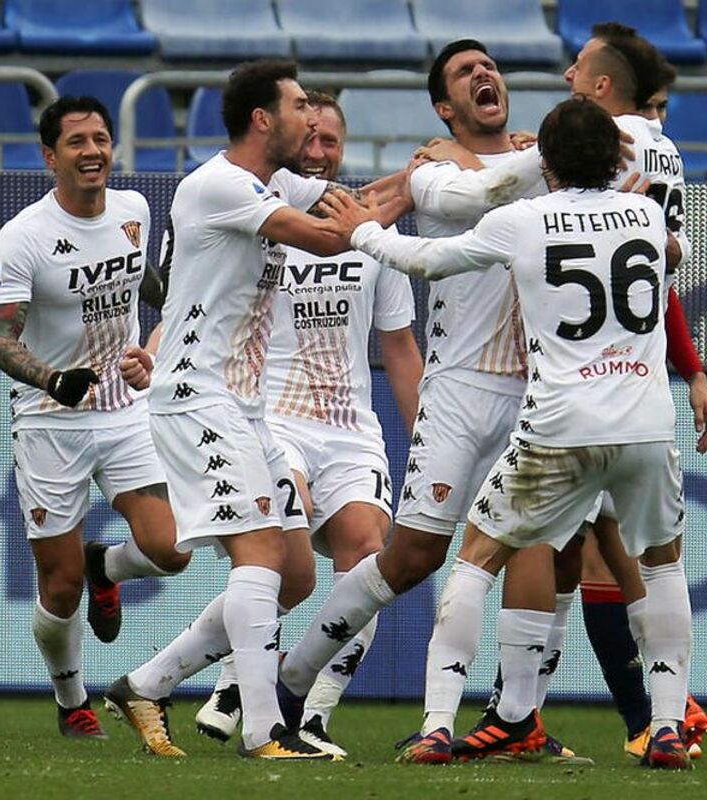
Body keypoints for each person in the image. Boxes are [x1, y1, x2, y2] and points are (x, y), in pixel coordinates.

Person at [322, 96, 696, 770]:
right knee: (662, 565)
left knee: (477, 557)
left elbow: (428, 260)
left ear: (544, 162)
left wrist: (362, 231)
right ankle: (665, 727)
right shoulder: (644, 214)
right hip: (646, 423)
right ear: (613, 160)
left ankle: (440, 724)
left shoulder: (523, 220)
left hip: (560, 424)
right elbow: (676, 250)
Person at [273, 40, 590, 764]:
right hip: (460, 389)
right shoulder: (435, 172)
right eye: (465, 73)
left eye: (490, 66)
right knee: (414, 556)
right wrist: (548, 149)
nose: (485, 74)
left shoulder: (541, 168)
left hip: (537, 390)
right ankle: (292, 680)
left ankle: (515, 718)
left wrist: (549, 152)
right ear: (446, 107)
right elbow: (478, 197)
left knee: (542, 549)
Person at [102, 59, 403, 761]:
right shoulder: (220, 186)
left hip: (246, 408)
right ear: (263, 119)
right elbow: (332, 235)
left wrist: (430, 174)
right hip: (197, 398)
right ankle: (267, 731)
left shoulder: (275, 184)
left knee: (294, 575)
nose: (311, 119)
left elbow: (355, 203)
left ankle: (146, 684)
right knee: (261, 554)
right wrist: (410, 201)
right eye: (299, 107)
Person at [191, 92, 424, 757]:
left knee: (366, 557)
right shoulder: (262, 219)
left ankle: (313, 714)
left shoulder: (375, 237)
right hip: (275, 420)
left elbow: (399, 348)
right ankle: (234, 682)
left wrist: (428, 438)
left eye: (331, 141)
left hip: (350, 427)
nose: (319, 152)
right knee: (283, 561)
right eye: (309, 137)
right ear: (288, 140)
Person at [0, 95, 190, 740]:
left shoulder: (134, 210)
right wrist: (52, 379)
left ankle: (109, 567)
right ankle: (71, 699)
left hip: (125, 409)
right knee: (60, 584)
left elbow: (146, 284)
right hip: (51, 419)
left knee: (173, 549)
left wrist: (165, 327)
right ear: (51, 157)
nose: (93, 151)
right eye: (77, 142)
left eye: (100, 138)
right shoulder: (24, 235)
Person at [561, 22, 707, 760]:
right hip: (642, 380)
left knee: (535, 550)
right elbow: (661, 268)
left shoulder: (605, 144)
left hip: (575, 376)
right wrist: (694, 372)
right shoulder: (668, 152)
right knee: (635, 552)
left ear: (603, 85)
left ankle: (646, 716)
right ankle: (661, 712)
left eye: (578, 67)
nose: (566, 75)